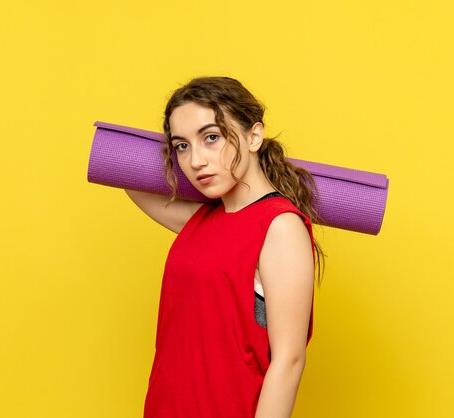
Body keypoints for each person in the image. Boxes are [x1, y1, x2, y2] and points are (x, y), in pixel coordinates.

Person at [125, 76, 325, 418]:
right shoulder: (201, 221)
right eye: (182, 146)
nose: (196, 161)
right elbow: (126, 175)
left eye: (211, 137)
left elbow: (289, 361)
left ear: (254, 136)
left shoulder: (280, 226)